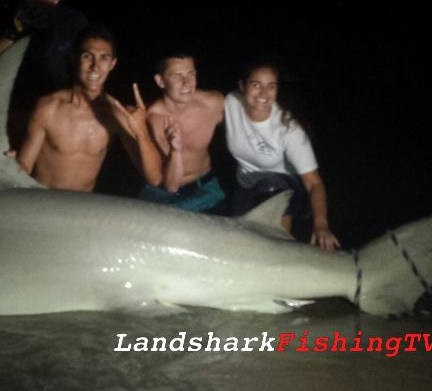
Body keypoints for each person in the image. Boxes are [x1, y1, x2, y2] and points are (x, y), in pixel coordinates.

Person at [16, 26, 161, 192]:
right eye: (87, 56)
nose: (95, 66)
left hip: (82, 204)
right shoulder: (48, 107)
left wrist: (142, 132)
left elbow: (154, 178)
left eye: (104, 58)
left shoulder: (115, 113)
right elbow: (24, 165)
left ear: (112, 64)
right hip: (43, 200)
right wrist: (8, 168)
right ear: (74, 59)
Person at [224, 61, 341, 250]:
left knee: (270, 185)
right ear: (242, 86)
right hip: (246, 184)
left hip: (285, 188)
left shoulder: (288, 129)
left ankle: (282, 244)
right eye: (256, 85)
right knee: (236, 239)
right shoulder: (231, 103)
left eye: (271, 86)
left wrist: (321, 225)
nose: (263, 93)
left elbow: (314, 183)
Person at [0, 0, 90, 152]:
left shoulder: (73, 21)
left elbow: (89, 61)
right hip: (23, 111)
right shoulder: (20, 20)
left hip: (61, 110)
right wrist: (14, 31)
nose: (39, 2)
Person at [140, 53, 226, 213]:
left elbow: (246, 124)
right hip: (162, 193)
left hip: (206, 188)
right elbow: (171, 186)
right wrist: (175, 150)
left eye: (190, 74)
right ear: (160, 81)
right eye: (177, 75)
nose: (186, 83)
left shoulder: (213, 103)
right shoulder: (152, 118)